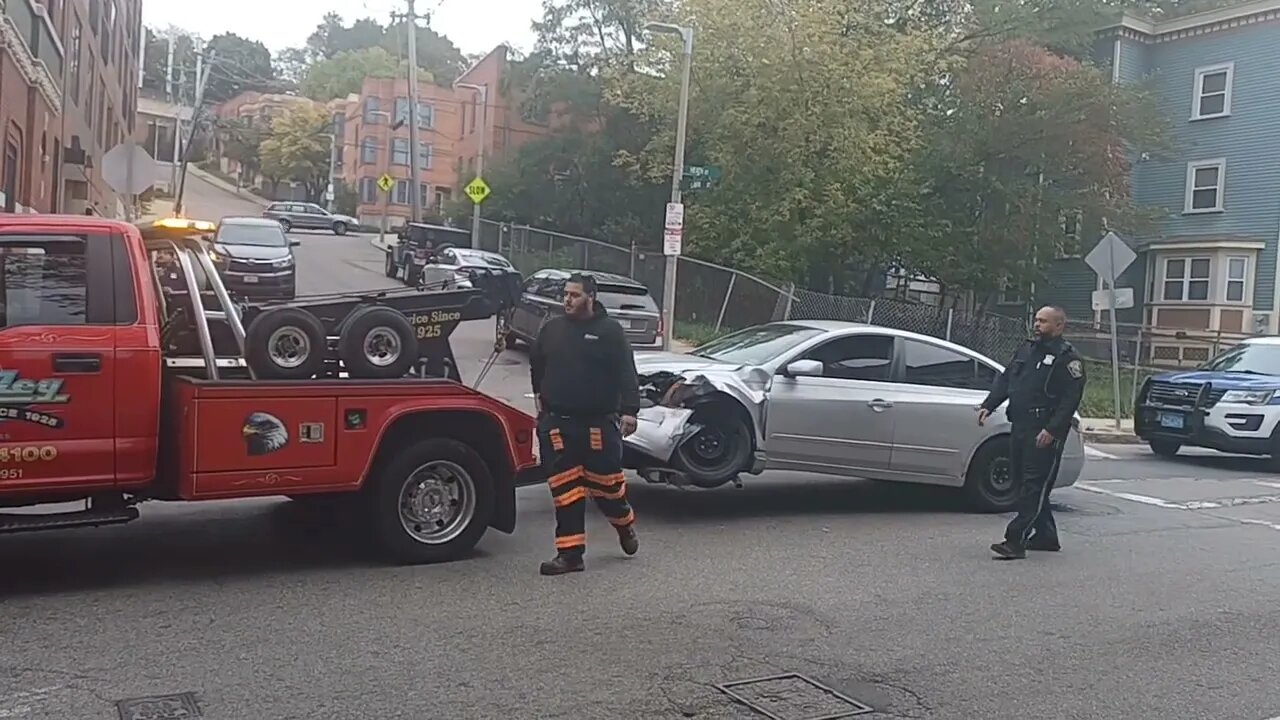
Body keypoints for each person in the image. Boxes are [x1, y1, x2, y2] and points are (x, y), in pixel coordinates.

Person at [529, 272, 642, 576]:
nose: (567, 299)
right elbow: (536, 362)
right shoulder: (552, 329)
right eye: (565, 294)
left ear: (591, 297)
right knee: (566, 491)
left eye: (575, 295)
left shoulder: (610, 332)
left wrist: (630, 411)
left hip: (597, 426)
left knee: (608, 489)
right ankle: (570, 555)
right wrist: (540, 394)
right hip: (557, 424)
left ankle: (624, 525)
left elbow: (626, 373)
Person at [977, 305, 1086, 560]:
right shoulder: (1027, 349)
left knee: (1033, 486)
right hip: (1020, 426)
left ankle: (1015, 541)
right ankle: (1046, 536)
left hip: (1043, 431)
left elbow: (1070, 399)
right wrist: (989, 405)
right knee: (1023, 483)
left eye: (1044, 321)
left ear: (1059, 326)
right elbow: (1006, 379)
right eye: (1036, 320)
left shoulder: (1068, 359)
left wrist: (1052, 429)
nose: (1037, 325)